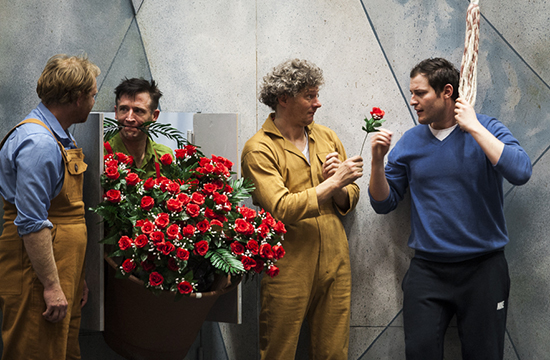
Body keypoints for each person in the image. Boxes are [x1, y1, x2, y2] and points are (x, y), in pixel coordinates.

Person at [369, 57, 532, 359]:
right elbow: (383, 203)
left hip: (484, 269)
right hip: (428, 270)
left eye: (420, 93)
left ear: (447, 91)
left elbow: (521, 172)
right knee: (419, 353)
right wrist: (377, 162)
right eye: (412, 93)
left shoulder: (488, 127)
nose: (413, 101)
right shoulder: (410, 142)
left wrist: (473, 128)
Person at [241, 59, 363, 359]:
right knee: (279, 351)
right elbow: (281, 207)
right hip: (287, 263)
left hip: (336, 258)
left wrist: (340, 187)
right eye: (310, 95)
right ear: (284, 98)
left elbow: (351, 196)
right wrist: (334, 183)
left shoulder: (327, 136)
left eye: (316, 94)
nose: (318, 103)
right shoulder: (259, 148)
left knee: (334, 352)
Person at [0, 54, 100, 359]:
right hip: (36, 272)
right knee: (33, 350)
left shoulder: (59, 136)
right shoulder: (39, 143)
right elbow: (31, 221)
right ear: (78, 97)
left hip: (59, 268)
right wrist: (53, 285)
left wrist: (73, 278)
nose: (95, 101)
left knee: (61, 350)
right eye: (94, 95)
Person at [106, 77, 171, 178]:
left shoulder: (164, 156)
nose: (129, 118)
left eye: (138, 111)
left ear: (154, 116)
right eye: (123, 109)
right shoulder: (101, 155)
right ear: (116, 112)